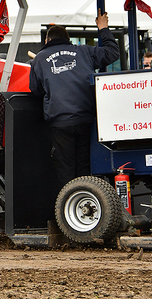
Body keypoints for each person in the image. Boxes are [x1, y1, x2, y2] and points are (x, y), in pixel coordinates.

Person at [29, 10, 119, 188]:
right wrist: (103, 28)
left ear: (47, 40)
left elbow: (36, 90)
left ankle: (69, 211)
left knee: (65, 170)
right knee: (84, 168)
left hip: (60, 122)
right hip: (86, 120)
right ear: (68, 39)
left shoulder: (39, 59)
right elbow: (112, 53)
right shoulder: (84, 51)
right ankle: (86, 208)